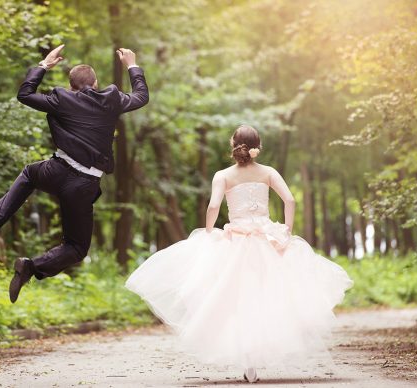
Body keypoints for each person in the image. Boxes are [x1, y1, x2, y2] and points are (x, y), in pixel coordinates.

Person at [125, 125, 353, 383]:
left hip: (237, 240)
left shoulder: (222, 175)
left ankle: (249, 363)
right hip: (266, 239)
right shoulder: (268, 172)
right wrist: (286, 232)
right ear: (258, 146)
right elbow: (290, 200)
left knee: (234, 299)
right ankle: (256, 359)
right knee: (268, 297)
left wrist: (210, 232)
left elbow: (213, 205)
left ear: (233, 144)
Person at [0, 44, 149, 303]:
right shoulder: (111, 100)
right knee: (76, 248)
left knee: (30, 173)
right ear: (96, 82)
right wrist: (132, 65)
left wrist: (44, 65)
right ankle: (31, 266)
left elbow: (25, 94)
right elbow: (141, 96)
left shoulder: (61, 99)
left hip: (57, 170)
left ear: (71, 86)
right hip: (83, 184)